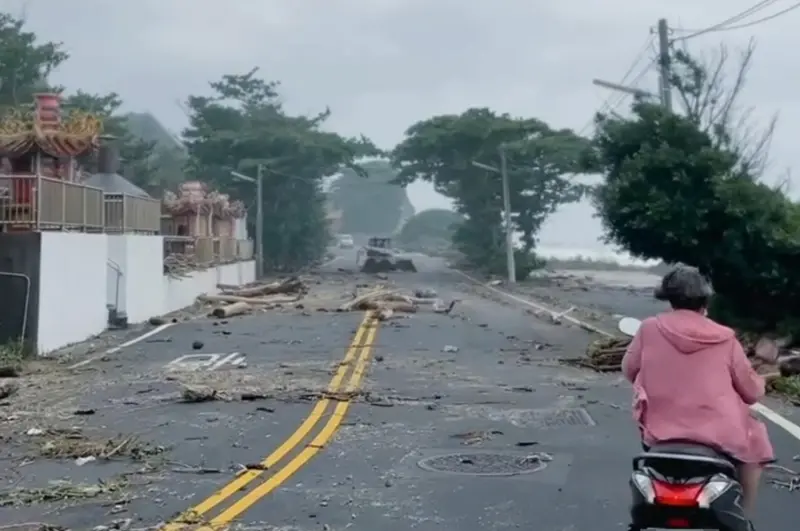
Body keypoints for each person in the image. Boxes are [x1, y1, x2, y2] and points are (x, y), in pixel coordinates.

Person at [622, 265, 774, 515]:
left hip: (660, 434)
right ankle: (743, 515)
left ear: (668, 296)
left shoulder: (648, 329)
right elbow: (751, 393)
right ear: (705, 299)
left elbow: (629, 370)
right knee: (755, 440)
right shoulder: (725, 337)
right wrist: (760, 382)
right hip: (719, 438)